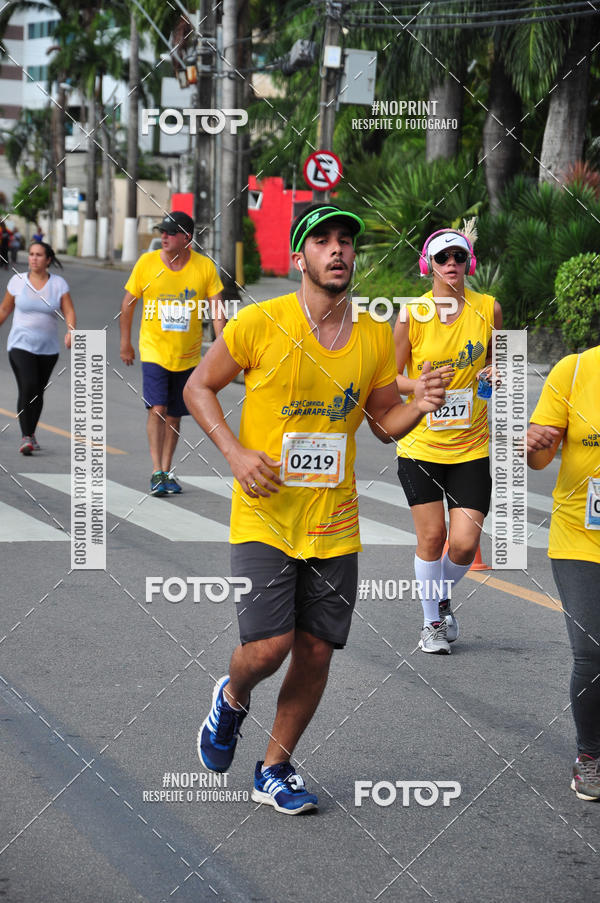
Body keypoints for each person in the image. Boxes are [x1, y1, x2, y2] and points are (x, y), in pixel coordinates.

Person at [183, 203, 447, 814]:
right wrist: (236, 452)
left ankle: (275, 767)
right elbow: (199, 386)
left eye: (346, 242)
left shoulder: (374, 335)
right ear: (301, 256)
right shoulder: (262, 322)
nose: (337, 251)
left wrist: (424, 404)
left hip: (334, 522)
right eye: (323, 241)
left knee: (317, 650)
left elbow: (383, 422)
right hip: (266, 514)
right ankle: (232, 697)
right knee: (268, 648)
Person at [393, 227, 503, 654]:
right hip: (420, 446)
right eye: (443, 259)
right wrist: (418, 387)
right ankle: (432, 623)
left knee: (463, 543)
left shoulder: (488, 308)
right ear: (429, 266)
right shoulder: (411, 315)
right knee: (433, 537)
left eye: (459, 256)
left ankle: (439, 595)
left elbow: (499, 357)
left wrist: (495, 371)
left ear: (469, 262)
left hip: (472, 445)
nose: (451, 265)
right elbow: (388, 377)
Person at [527, 347, 600, 801]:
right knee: (592, 650)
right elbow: (540, 456)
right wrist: (537, 445)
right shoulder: (575, 370)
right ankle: (590, 757)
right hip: (579, 536)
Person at [119, 211, 225, 496]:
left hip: (188, 355)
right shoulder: (147, 263)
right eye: (161, 232)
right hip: (153, 350)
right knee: (158, 408)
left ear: (186, 238)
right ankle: (156, 470)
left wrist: (222, 343)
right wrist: (125, 343)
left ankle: (166, 471)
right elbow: (128, 304)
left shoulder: (204, 268)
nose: (163, 237)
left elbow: (216, 309)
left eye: (170, 232)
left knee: (175, 416)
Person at [0, 241, 76, 454]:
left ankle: (31, 432)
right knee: (28, 385)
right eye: (31, 254)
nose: (33, 258)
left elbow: (69, 311)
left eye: (39, 255)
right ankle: (26, 436)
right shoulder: (17, 281)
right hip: (19, 345)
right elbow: (5, 310)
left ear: (48, 259)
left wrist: (71, 331)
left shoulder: (58, 284)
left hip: (48, 349)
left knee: (38, 392)